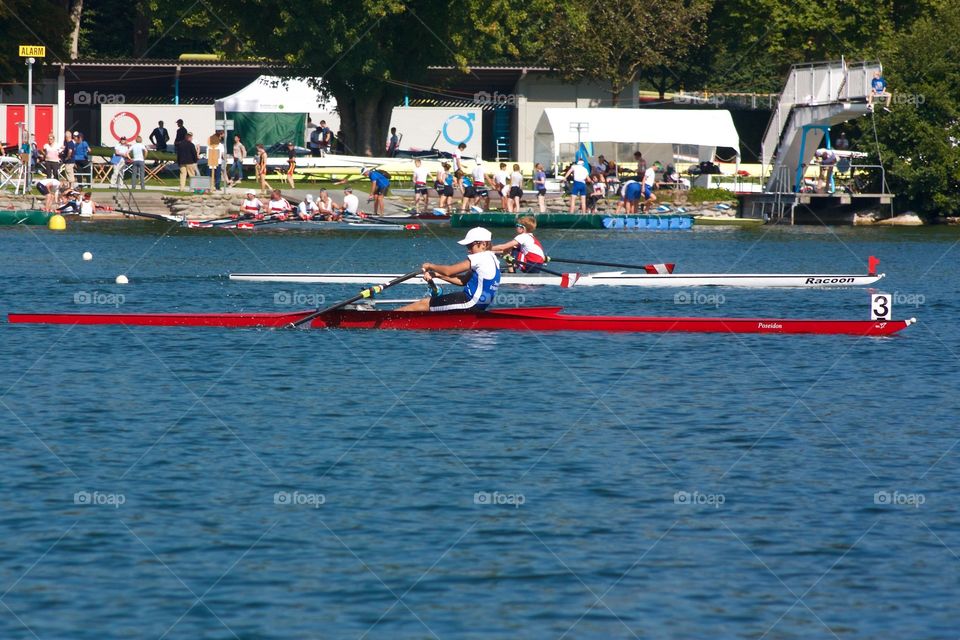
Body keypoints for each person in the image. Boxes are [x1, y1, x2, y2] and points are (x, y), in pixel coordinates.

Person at [397, 227, 501, 312]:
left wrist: (430, 266)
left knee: (424, 303)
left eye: (470, 246)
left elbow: (449, 270)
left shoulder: (480, 257)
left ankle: (389, 318)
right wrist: (438, 275)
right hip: (479, 304)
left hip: (470, 302)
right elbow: (463, 281)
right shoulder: (492, 258)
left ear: (483, 244)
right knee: (432, 306)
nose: (468, 250)